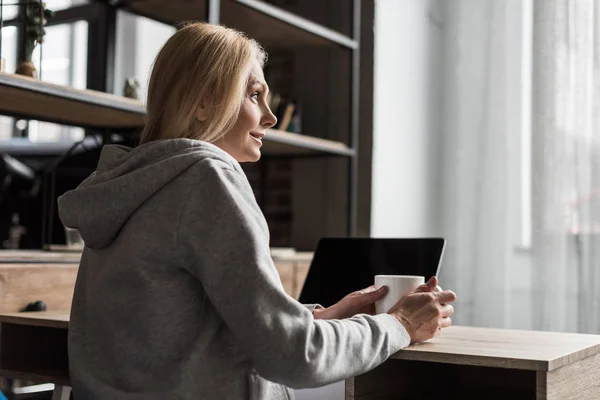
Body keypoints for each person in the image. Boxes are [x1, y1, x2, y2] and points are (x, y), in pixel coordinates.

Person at [58, 22, 456, 400]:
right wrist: (398, 324)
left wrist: (327, 316)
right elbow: (293, 355)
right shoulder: (206, 178)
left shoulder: (129, 186)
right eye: (253, 95)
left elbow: (184, 332)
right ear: (201, 103)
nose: (270, 115)